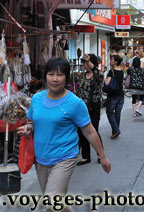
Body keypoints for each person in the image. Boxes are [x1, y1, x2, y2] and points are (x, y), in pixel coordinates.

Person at [18, 58, 110, 212]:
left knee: (51, 202)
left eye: (59, 75)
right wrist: (28, 128)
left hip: (64, 157)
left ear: (66, 78)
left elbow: (89, 131)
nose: (54, 79)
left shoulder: (75, 103)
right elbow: (32, 122)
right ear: (45, 76)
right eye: (51, 74)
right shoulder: (36, 99)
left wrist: (102, 156)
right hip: (41, 158)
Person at [74, 54, 104, 165]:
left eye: (86, 63)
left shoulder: (98, 75)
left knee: (94, 130)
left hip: (94, 106)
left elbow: (97, 72)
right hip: (82, 107)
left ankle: (100, 154)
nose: (84, 65)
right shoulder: (82, 76)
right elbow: (78, 91)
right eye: (84, 63)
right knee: (82, 131)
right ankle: (86, 156)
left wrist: (89, 62)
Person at [105, 55, 124, 139]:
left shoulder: (111, 71)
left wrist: (105, 79)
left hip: (113, 95)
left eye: (111, 59)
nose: (110, 60)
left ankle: (116, 130)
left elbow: (107, 83)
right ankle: (115, 131)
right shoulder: (122, 71)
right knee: (117, 113)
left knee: (109, 112)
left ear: (115, 62)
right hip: (120, 94)